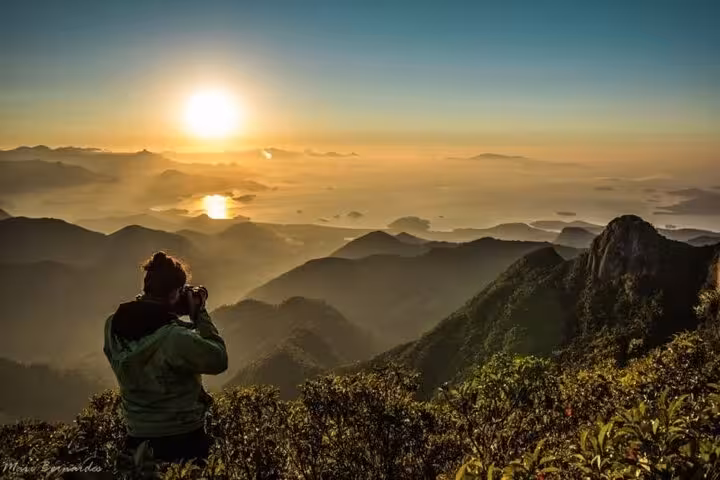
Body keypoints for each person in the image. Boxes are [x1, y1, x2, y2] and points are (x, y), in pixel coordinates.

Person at [103, 251, 228, 465]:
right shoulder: (174, 338)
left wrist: (168, 311)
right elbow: (218, 359)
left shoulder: (112, 325)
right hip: (183, 439)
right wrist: (199, 314)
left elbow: (146, 325)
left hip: (137, 439)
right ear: (175, 293)